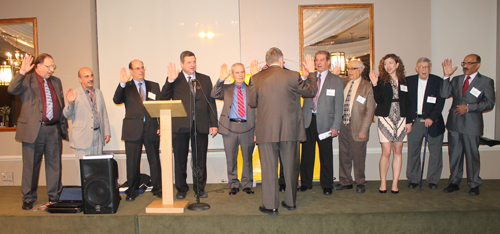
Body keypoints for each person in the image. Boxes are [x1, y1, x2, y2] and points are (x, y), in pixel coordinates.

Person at [248, 47, 317, 215]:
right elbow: (312, 91)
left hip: (267, 131)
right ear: (281, 60)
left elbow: (251, 102)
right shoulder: (293, 76)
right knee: (291, 167)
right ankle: (290, 202)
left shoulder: (256, 78)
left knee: (269, 169)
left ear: (267, 62)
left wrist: (253, 77)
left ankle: (271, 205)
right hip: (290, 130)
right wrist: (312, 72)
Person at [8, 54, 68, 210]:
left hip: (53, 129)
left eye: (53, 66)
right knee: (31, 165)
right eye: (48, 66)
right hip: (34, 129)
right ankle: (28, 197)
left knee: (54, 164)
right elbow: (12, 89)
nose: (51, 70)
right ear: (38, 66)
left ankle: (55, 196)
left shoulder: (56, 82)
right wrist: (21, 72)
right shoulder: (27, 80)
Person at [161, 51, 218, 199]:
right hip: (180, 126)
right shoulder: (175, 79)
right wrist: (170, 81)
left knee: (200, 158)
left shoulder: (204, 79)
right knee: (180, 158)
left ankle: (200, 188)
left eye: (194, 61)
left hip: (200, 124)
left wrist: (214, 123)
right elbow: (163, 98)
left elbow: (210, 102)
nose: (192, 65)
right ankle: (181, 188)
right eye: (188, 62)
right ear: (181, 64)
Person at [441, 54, 495, 196]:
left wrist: (469, 107)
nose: (465, 66)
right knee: (455, 154)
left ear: (477, 65)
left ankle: (474, 184)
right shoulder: (457, 79)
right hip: (454, 124)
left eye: (469, 63)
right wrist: (446, 77)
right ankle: (454, 182)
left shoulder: (486, 82)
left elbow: (490, 103)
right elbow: (444, 93)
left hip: (472, 125)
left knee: (472, 155)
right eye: (464, 63)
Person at [113, 60, 162, 201]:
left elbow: (159, 107)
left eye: (142, 67)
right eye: (137, 68)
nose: (141, 70)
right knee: (133, 161)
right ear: (131, 71)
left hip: (151, 128)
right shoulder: (126, 86)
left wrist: (160, 125)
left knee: (154, 159)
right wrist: (121, 84)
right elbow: (117, 100)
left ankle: (158, 188)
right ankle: (132, 190)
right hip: (132, 129)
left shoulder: (154, 85)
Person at [299, 50, 343, 195]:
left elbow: (339, 105)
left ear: (328, 62)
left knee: (326, 155)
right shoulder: (307, 79)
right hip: (308, 120)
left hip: (326, 123)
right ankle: (305, 183)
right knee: (306, 155)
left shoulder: (336, 80)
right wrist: (304, 77)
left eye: (322, 60)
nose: (318, 62)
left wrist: (336, 126)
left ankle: (327, 185)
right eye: (316, 60)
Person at [211, 62, 259, 195]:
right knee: (231, 158)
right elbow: (214, 94)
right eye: (237, 72)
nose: (240, 75)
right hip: (229, 127)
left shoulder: (251, 89)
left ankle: (247, 184)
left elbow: (257, 110)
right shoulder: (226, 89)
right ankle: (233, 184)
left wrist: (257, 131)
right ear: (232, 75)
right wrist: (221, 79)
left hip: (248, 127)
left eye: (242, 72)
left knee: (247, 158)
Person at [369, 54, 412, 194]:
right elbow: (379, 99)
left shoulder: (405, 81)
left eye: (391, 63)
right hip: (385, 118)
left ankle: (395, 183)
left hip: (401, 118)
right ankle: (383, 183)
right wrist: (374, 84)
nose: (388, 66)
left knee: (398, 151)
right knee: (386, 152)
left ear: (397, 64)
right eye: (385, 64)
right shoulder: (381, 80)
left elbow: (409, 102)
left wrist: (409, 121)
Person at [336, 60, 376, 193]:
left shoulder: (367, 86)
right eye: (348, 68)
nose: (350, 71)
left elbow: (370, 110)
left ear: (361, 70)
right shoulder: (344, 83)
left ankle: (360, 182)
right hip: (343, 124)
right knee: (344, 155)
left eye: (353, 68)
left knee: (358, 156)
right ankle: (345, 181)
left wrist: (364, 129)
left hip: (358, 127)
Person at [63, 67, 111, 177]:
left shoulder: (98, 93)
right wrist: (70, 103)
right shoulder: (75, 94)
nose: (90, 78)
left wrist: (106, 131)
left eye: (91, 75)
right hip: (83, 138)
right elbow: (67, 114)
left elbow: (103, 113)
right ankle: (84, 193)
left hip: (98, 135)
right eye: (86, 76)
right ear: (80, 79)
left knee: (97, 168)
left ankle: (95, 193)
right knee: (84, 170)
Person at [406, 58, 445, 190]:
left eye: (427, 67)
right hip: (414, 121)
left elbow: (440, 102)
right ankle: (413, 179)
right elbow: (406, 103)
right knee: (413, 151)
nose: (424, 69)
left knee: (435, 153)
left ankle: (433, 180)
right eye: (421, 66)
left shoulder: (437, 81)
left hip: (433, 122)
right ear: (416, 68)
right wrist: (408, 121)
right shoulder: (408, 81)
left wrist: (431, 118)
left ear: (430, 68)